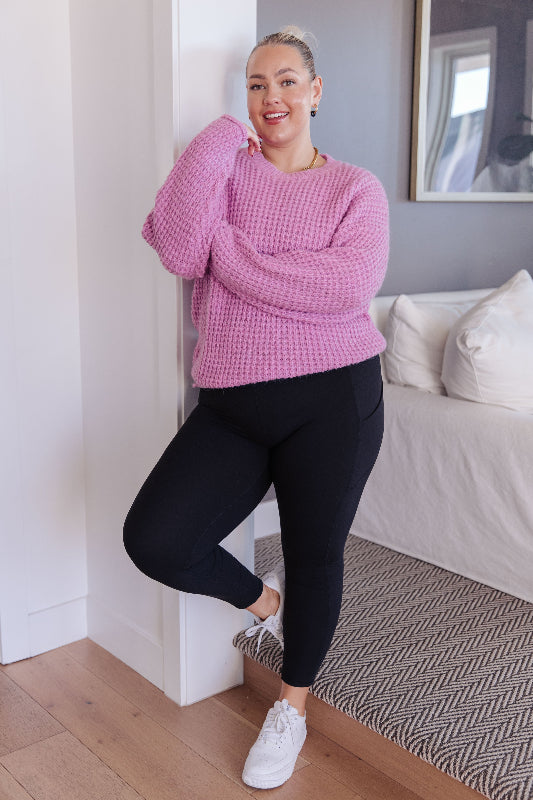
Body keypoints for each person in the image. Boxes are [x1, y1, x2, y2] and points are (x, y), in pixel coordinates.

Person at [123, 26, 389, 790]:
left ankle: (290, 709)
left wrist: (231, 256)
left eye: (286, 81)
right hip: (234, 402)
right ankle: (266, 603)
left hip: (334, 398)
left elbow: (343, 286)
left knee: (315, 555)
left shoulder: (355, 189)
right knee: (156, 539)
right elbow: (179, 249)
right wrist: (214, 139)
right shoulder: (225, 168)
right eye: (255, 84)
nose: (271, 97)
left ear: (314, 91)